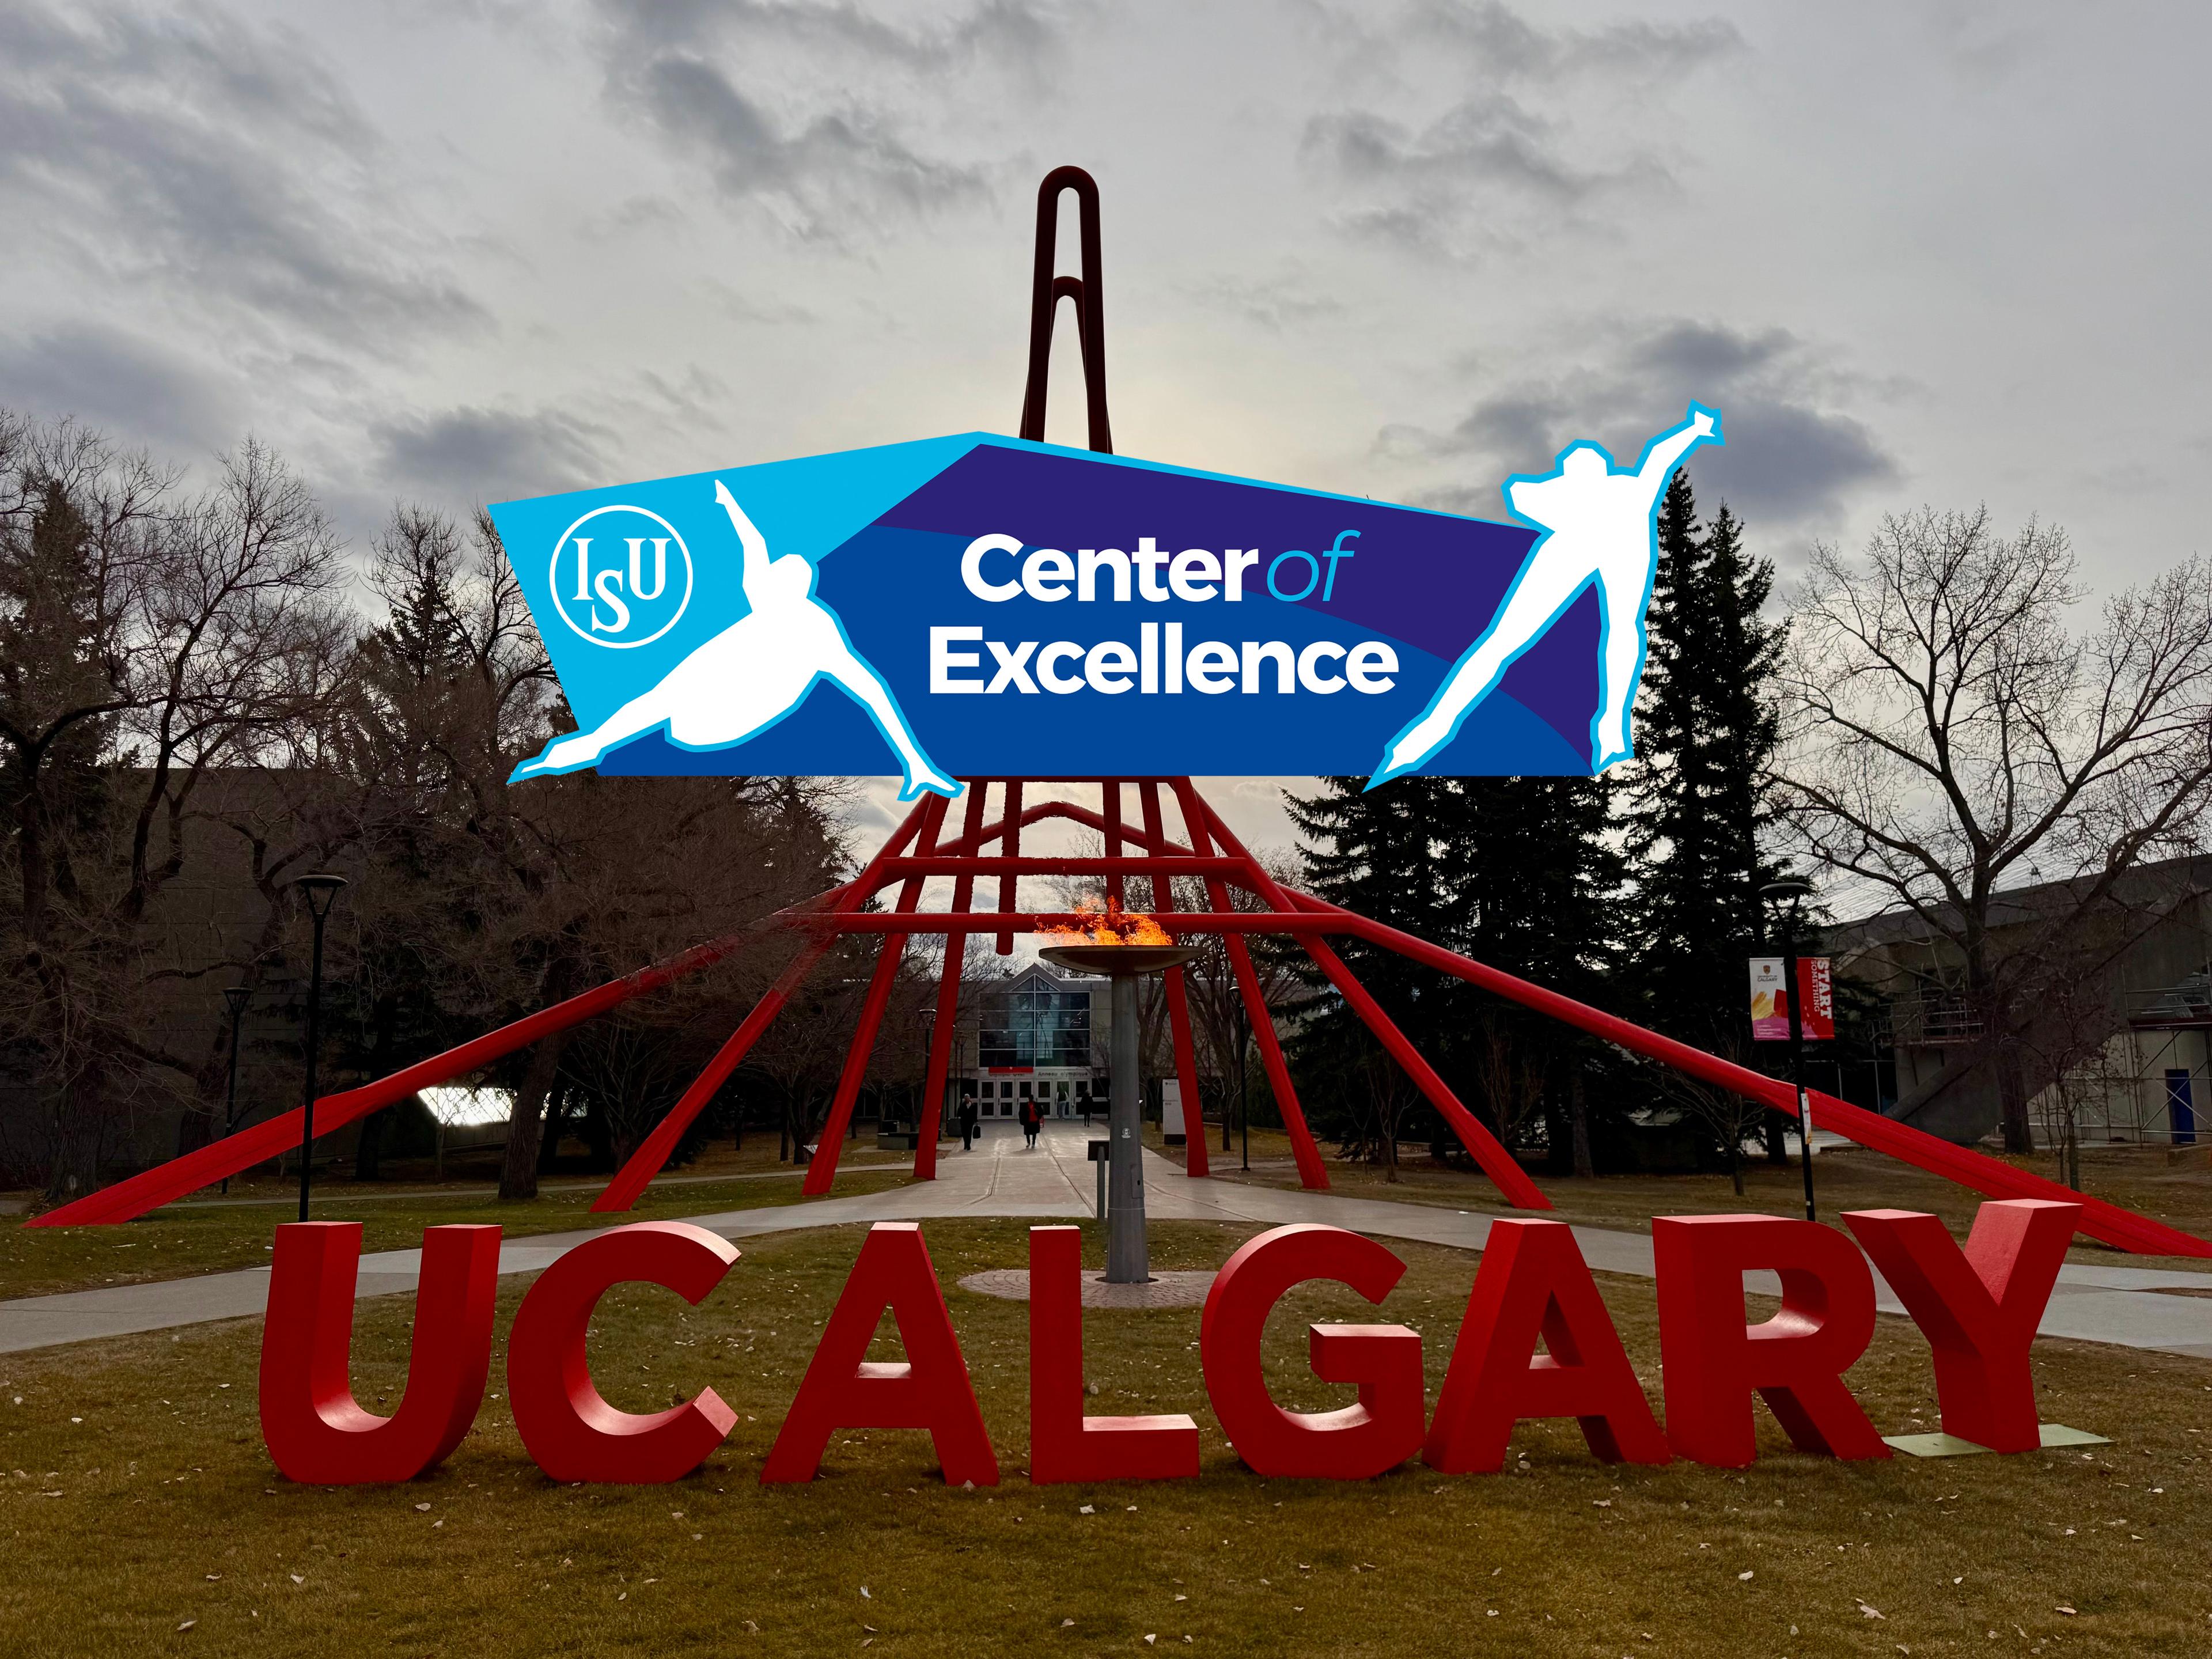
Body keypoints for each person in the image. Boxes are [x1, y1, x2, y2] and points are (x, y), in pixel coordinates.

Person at [513, 479, 959, 800]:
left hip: (726, 711)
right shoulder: (778, 601)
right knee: (621, 724)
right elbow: (754, 546)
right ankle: (540, 766)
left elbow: (872, 691)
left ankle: (547, 763)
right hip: (701, 691)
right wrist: (730, 505)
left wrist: (913, 759)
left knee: (636, 718)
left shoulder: (813, 627)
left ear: (798, 586)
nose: (770, 580)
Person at [1370, 404, 1722, 785]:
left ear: (1599, 471)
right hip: (1572, 548)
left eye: (1587, 468)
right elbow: (1524, 495)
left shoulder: (1627, 491)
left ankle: (1608, 725)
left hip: (1611, 550)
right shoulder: (1573, 497)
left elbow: (1658, 457)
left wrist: (1693, 429)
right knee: (1504, 643)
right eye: (1576, 470)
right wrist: (1693, 430)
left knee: (1619, 628)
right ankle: (1433, 728)